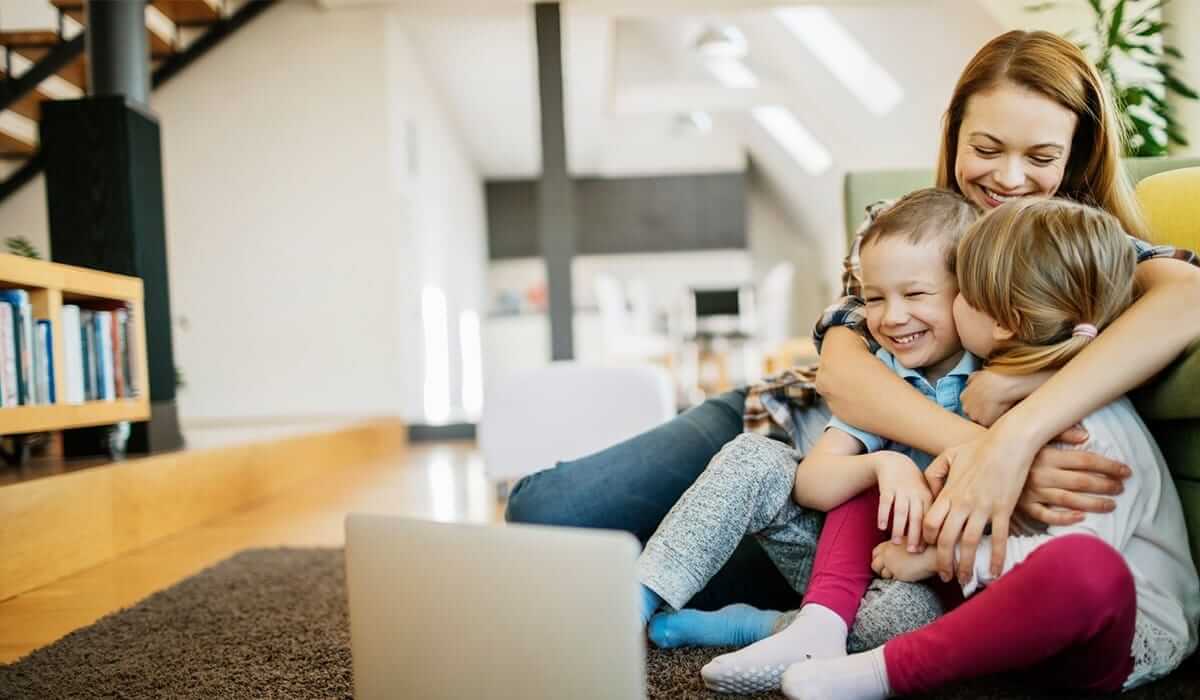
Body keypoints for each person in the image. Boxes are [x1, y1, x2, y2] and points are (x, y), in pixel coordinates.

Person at [506, 29, 1200, 641]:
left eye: (1041, 156)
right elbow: (842, 372)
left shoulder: (1078, 250)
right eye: (986, 147)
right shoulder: (903, 221)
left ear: (1075, 159)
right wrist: (985, 450)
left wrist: (1020, 434)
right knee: (546, 509)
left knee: (669, 573)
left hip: (857, 498)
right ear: (954, 134)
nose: (1009, 178)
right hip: (780, 417)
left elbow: (1188, 296)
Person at [776, 198, 1199, 699]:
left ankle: (888, 670)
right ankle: (819, 623)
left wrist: (937, 558)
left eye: (963, 296)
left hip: (1110, 641)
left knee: (1085, 569)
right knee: (881, 475)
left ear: (1004, 322)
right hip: (1005, 616)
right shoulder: (993, 389)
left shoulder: (1087, 429)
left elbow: (1056, 565)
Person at [631, 188, 981, 695]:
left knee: (898, 629)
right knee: (754, 455)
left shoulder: (992, 383)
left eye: (916, 294)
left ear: (968, 293)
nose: (892, 316)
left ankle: (756, 627)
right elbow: (813, 484)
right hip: (833, 564)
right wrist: (884, 464)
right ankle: (635, 601)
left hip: (919, 581)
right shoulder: (881, 373)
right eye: (876, 298)